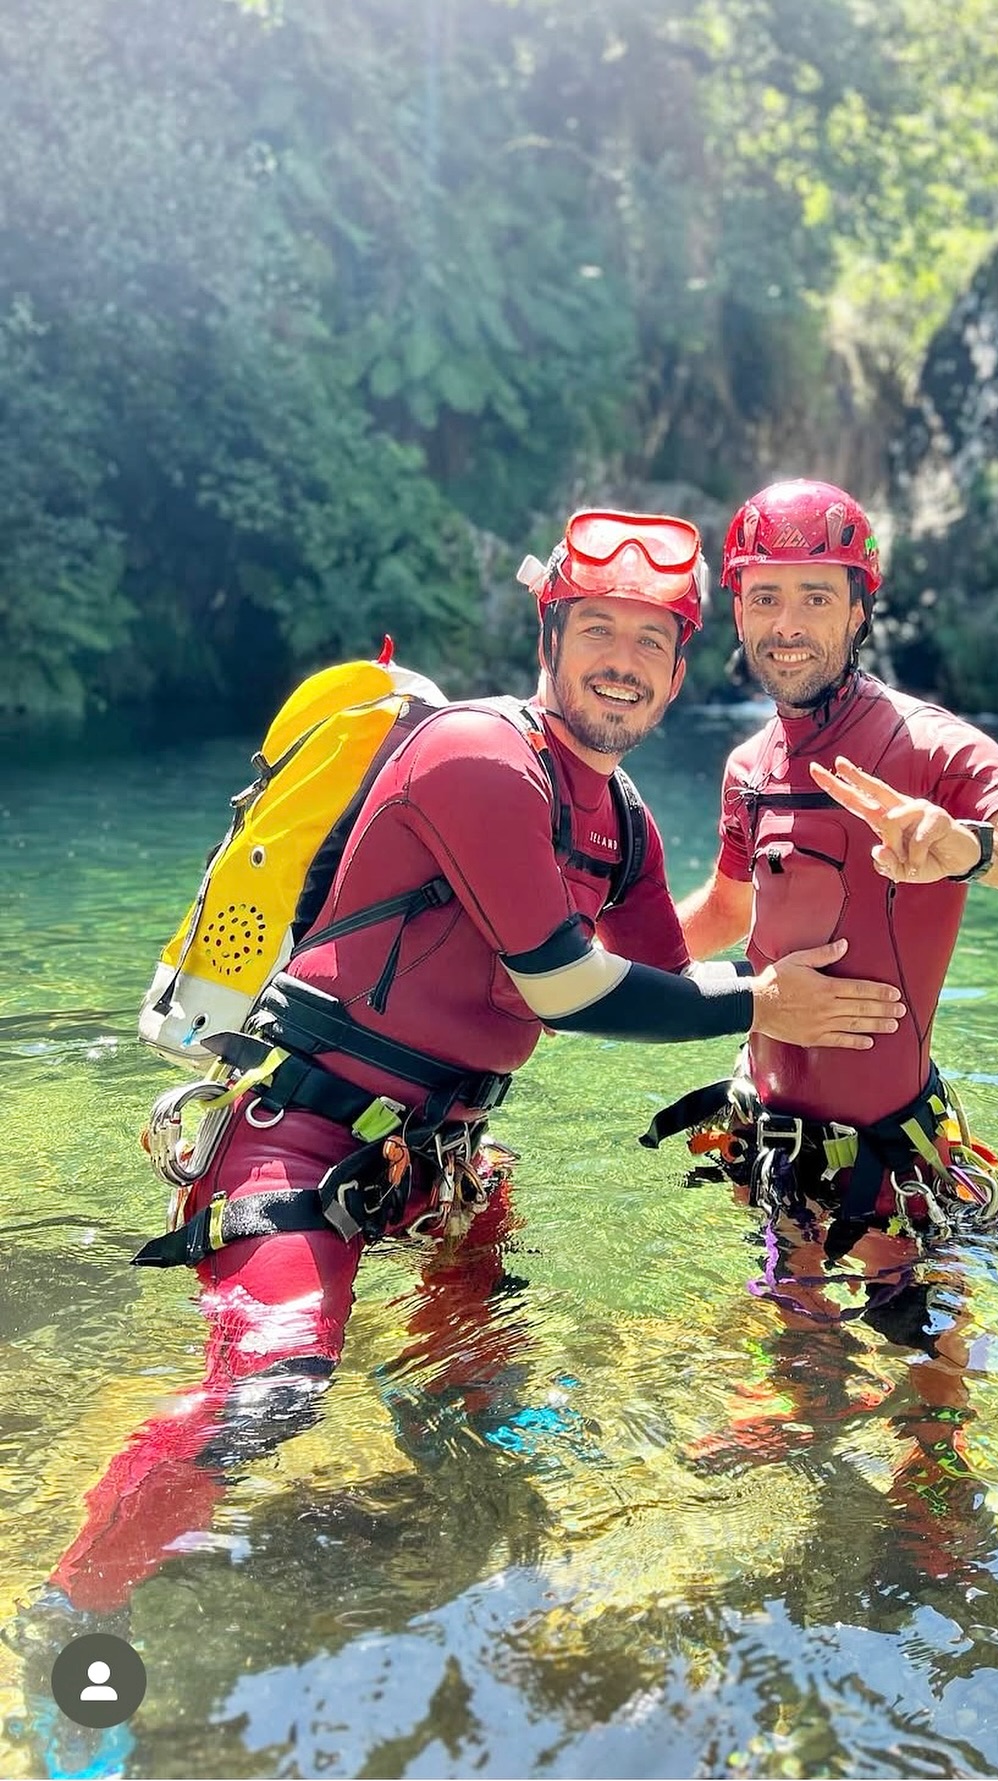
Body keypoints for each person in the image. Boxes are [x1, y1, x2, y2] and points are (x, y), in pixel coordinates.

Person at [44, 508, 906, 1616]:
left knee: (486, 1281)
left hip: (434, 1154)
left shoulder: (623, 819)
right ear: (549, 636)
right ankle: (68, 1615)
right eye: (599, 628)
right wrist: (763, 993)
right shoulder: (479, 756)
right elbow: (572, 986)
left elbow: (669, 971)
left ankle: (470, 1439)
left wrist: (851, 939)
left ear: (682, 669)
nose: (624, 662)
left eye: (652, 641)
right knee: (274, 1390)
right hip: (300, 1139)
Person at [650, 477, 998, 1260]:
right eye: (765, 597)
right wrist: (581, 960)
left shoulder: (932, 749)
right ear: (736, 612)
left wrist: (971, 849)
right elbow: (728, 914)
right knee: (782, 1366)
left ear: (858, 609)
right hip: (770, 1148)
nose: (787, 624)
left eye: (815, 596)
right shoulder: (747, 766)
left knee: (935, 1381)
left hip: (890, 1163)